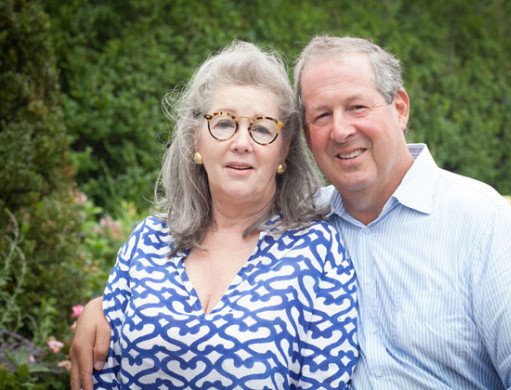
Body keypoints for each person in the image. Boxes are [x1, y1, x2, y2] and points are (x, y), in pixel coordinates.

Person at [71, 35, 511, 389]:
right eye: (322, 115)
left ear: (400, 108)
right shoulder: (307, 222)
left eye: (357, 107)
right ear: (304, 139)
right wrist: (102, 310)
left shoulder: (478, 219)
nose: (341, 130)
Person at [76, 40, 358, 390]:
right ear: (196, 140)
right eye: (224, 124)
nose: (242, 142)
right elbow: (98, 373)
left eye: (261, 128)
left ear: (283, 149)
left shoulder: (319, 251)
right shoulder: (147, 241)